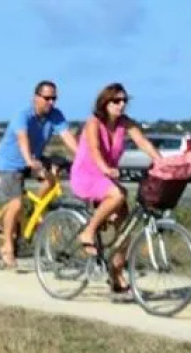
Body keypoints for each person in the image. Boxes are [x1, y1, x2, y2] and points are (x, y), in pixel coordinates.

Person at [70, 82, 163, 293]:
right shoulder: (93, 123)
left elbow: (142, 141)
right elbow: (94, 149)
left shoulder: (124, 123)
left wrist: (161, 161)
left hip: (106, 177)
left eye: (124, 101)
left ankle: (116, 274)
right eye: (116, 100)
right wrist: (106, 168)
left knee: (126, 226)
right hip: (88, 175)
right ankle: (88, 231)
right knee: (118, 194)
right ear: (105, 102)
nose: (121, 105)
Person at [0, 80, 80, 268]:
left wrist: (83, 159)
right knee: (15, 203)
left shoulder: (55, 116)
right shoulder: (23, 115)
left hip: (35, 158)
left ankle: (33, 210)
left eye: (54, 98)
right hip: (10, 163)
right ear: (35, 98)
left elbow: (67, 138)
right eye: (47, 98)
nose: (51, 102)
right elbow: (22, 138)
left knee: (54, 178)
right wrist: (30, 161)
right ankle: (7, 246)